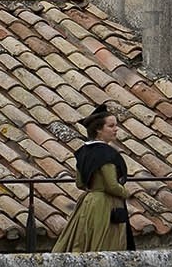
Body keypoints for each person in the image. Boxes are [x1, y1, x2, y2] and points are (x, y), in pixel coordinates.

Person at [52, 105, 135, 253]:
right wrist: (127, 193)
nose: (116, 129)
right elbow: (111, 186)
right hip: (105, 206)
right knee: (104, 248)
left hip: (87, 204)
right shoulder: (106, 153)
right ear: (98, 129)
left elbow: (79, 183)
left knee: (82, 242)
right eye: (111, 126)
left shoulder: (83, 152)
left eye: (116, 125)